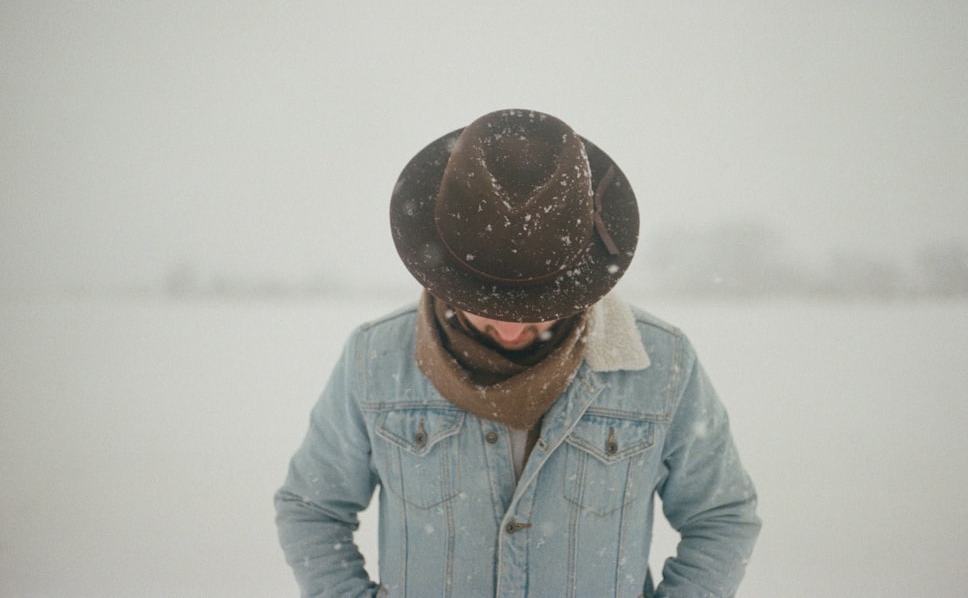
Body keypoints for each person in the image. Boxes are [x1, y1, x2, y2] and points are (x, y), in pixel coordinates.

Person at [275, 109, 761, 597]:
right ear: (447, 272)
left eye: (537, 304)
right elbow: (312, 508)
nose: (509, 329)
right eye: (485, 300)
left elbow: (721, 517)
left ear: (579, 278)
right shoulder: (375, 358)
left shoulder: (663, 363)